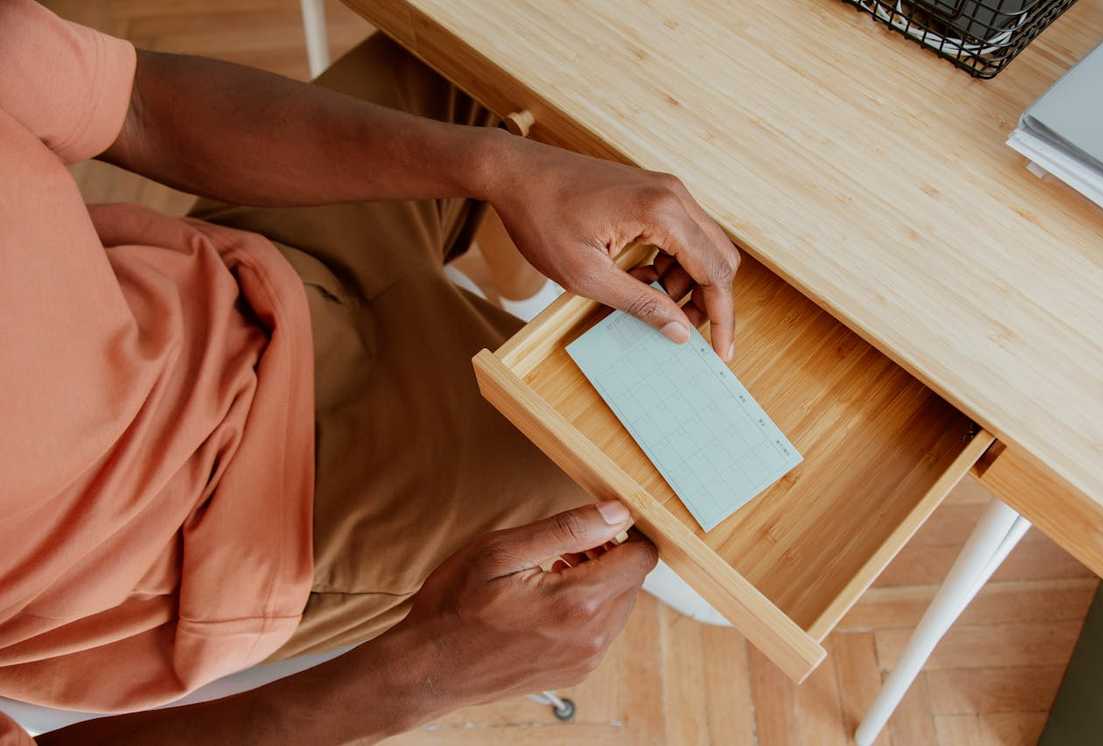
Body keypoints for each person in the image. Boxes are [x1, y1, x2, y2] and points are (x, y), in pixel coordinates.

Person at [0, 1, 740, 743]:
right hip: (240, 527)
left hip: (232, 276)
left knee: (530, 31)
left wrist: (501, 167)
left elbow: (134, 107)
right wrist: (424, 672)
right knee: (725, 465)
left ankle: (518, 285)